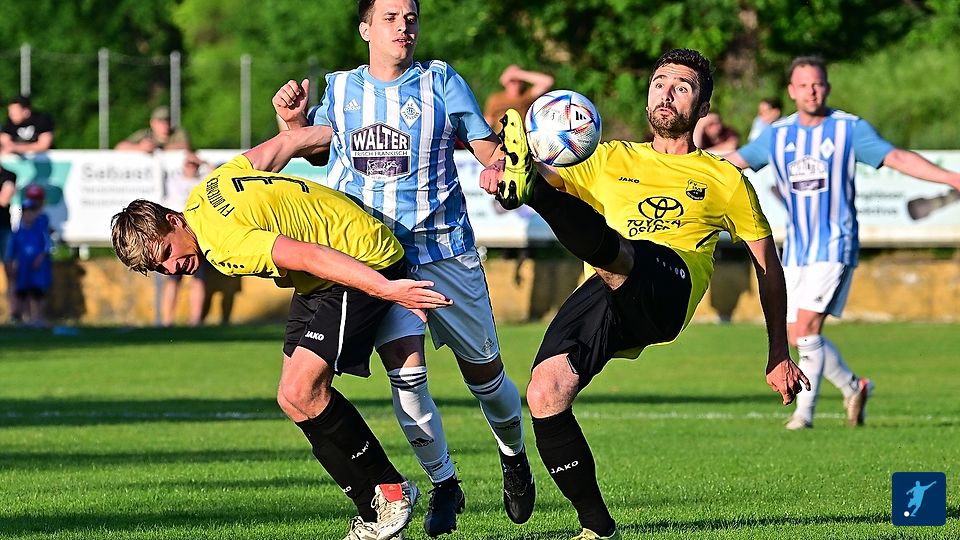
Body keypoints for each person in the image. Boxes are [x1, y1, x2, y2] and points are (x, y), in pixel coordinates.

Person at [480, 48, 810, 540]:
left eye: (682, 87)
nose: (666, 94)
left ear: (702, 108)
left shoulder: (724, 179)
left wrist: (778, 353)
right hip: (608, 285)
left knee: (624, 253)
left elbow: (768, 266)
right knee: (545, 391)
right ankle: (597, 527)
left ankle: (541, 199)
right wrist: (502, 169)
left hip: (669, 288)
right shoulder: (607, 157)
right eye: (659, 84)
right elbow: (530, 178)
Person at [111, 125, 455, 540]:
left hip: (358, 260)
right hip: (320, 278)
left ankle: (392, 490)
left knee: (304, 389)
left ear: (172, 221)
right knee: (292, 400)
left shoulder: (224, 244)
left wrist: (387, 289)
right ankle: (373, 512)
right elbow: (286, 144)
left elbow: (309, 254)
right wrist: (336, 130)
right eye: (158, 267)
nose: (171, 268)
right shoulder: (205, 192)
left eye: (166, 252)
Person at [271, 0, 536, 534]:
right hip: (379, 258)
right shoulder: (340, 89)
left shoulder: (441, 81)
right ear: (365, 28)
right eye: (390, 18)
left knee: (485, 377)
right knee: (406, 370)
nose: (403, 26)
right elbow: (319, 152)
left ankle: (513, 453)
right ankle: (444, 483)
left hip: (445, 252)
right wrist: (294, 121)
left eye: (410, 17)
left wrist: (499, 170)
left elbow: (489, 152)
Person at [724, 56, 960, 431]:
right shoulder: (778, 135)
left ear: (828, 87)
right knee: (794, 334)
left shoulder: (848, 129)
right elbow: (730, 163)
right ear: (792, 91)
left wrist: (951, 178)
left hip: (836, 242)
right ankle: (854, 387)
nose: (812, 91)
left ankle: (803, 415)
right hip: (796, 249)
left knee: (806, 327)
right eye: (804, 85)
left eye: (818, 84)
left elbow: (896, 157)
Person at [156, 153, 209, 326]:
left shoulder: (202, 180)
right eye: (188, 163)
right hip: (176, 237)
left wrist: (204, 162)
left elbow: (220, 176)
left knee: (199, 279)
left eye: (194, 163)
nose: (191, 166)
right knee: (173, 280)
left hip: (197, 235)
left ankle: (195, 321)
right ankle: (167, 321)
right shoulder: (173, 180)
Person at [7, 184, 52, 327]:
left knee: (38, 292)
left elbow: (46, 245)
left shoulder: (41, 226)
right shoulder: (18, 231)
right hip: (24, 267)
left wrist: (40, 258)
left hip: (38, 267)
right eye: (25, 211)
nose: (28, 214)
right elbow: (13, 250)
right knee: (23, 292)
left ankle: (38, 318)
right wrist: (14, 264)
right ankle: (26, 318)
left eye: (31, 211)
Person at [483, 64, 555, 130]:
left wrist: (519, 74)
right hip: (502, 137)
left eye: (519, 81)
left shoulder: (527, 95)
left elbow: (548, 82)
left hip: (523, 137)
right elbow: (488, 121)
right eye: (512, 81)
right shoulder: (495, 99)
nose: (516, 84)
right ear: (506, 82)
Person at [115, 106, 191, 152]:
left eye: (167, 121)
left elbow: (185, 146)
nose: (165, 125)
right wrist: (140, 147)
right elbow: (120, 147)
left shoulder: (177, 133)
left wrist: (159, 149)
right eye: (160, 122)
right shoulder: (145, 133)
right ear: (152, 123)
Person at [1, 164, 16, 321]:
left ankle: (14, 313)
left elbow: (3, 200)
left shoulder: (8, 175)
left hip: (4, 230)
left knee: (10, 272)